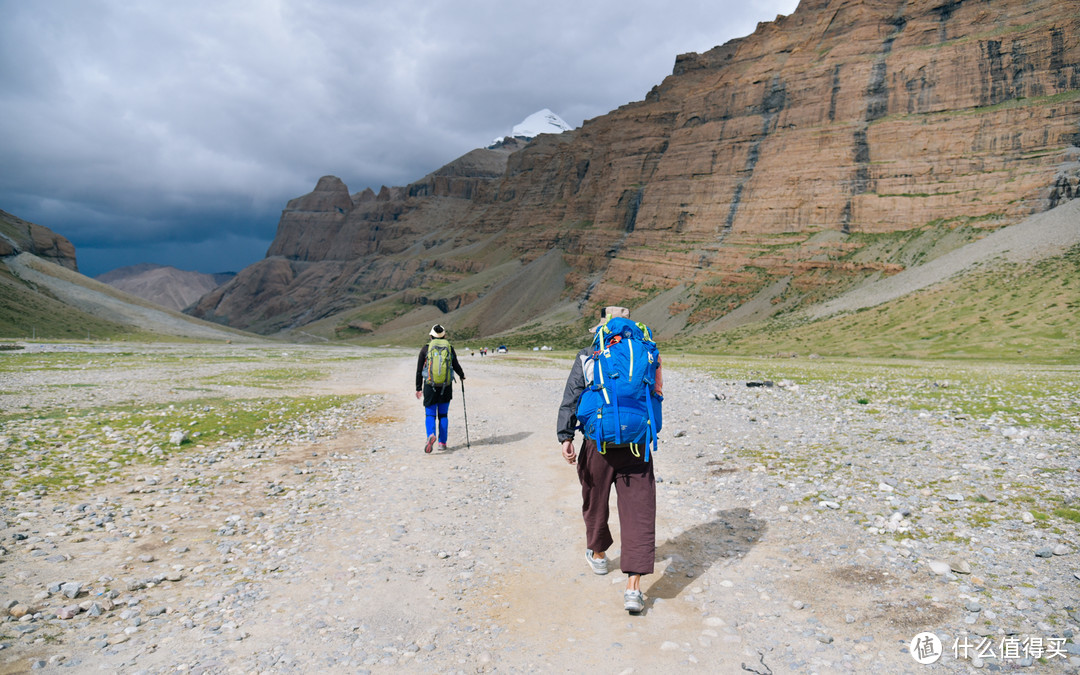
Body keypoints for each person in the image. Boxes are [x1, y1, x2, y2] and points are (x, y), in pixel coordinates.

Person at [556, 306, 660, 614]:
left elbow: (572, 396)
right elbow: (656, 396)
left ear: (602, 330)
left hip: (597, 443)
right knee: (639, 510)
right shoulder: (648, 353)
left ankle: (599, 554)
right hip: (637, 445)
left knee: (595, 499)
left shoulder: (589, 356)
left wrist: (565, 436)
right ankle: (633, 589)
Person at [416, 324, 465, 453]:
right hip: (446, 387)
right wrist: (462, 375)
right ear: (445, 336)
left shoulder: (425, 349)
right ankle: (442, 443)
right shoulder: (449, 348)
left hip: (429, 386)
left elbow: (419, 370)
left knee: (430, 414)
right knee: (443, 415)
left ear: (430, 335)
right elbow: (456, 365)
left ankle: (431, 435)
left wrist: (418, 388)